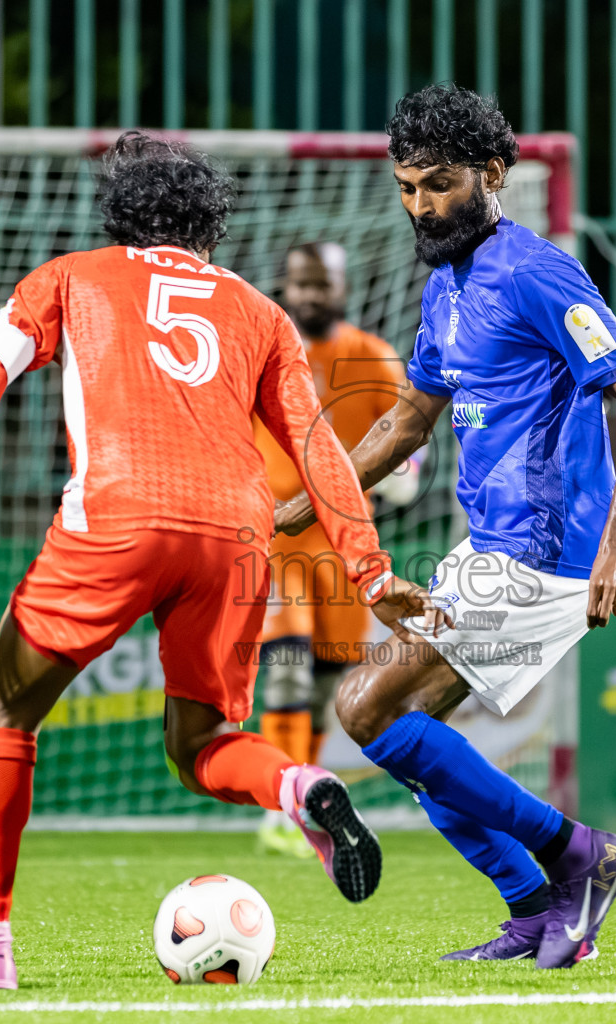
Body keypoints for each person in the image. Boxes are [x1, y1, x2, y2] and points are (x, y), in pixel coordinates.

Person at [0, 132, 448, 991]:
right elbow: (320, 450)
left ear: (120, 214)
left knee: (6, 711)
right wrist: (374, 571)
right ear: (209, 226)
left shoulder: (69, 278)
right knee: (202, 740)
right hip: (239, 537)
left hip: (118, 519)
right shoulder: (260, 313)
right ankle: (296, 784)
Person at [275, 85, 616, 969]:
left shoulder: (535, 270)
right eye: (407, 186)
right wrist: (308, 500)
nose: (422, 204)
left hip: (552, 546)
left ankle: (582, 857)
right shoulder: (447, 284)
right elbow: (406, 422)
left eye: (441, 184)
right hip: (491, 545)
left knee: (365, 707)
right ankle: (533, 908)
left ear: (493, 173)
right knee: (418, 738)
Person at [253, 242, 411, 857]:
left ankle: (304, 802)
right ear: (285, 285)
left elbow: (407, 433)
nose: (312, 294)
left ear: (345, 287)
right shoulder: (261, 351)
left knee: (324, 680)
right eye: (302, 283)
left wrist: (408, 470)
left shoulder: (372, 357)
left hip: (344, 540)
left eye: (324, 284)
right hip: (275, 536)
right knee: (286, 668)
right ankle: (276, 808)